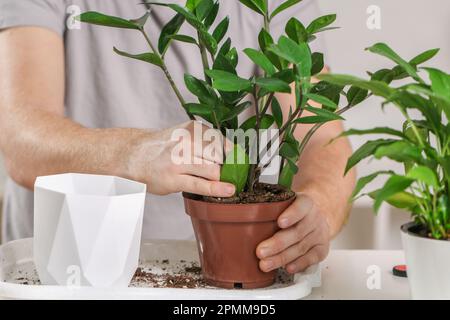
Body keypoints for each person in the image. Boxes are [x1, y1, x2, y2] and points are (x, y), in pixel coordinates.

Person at [0, 0, 355, 274]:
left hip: (211, 270)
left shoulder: (271, 9)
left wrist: (319, 207)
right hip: (64, 264)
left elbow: (323, 139)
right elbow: (21, 139)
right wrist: (134, 152)